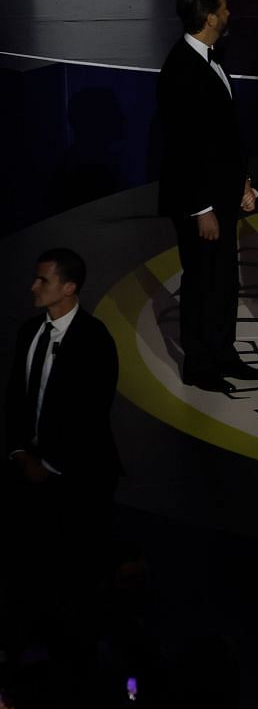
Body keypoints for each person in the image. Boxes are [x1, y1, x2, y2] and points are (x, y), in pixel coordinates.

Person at [157, 0, 258, 390]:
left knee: (222, 279)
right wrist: (201, 208)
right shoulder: (180, 69)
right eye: (224, 7)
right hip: (198, 201)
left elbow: (224, 134)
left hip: (222, 192)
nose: (229, 13)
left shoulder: (211, 57)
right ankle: (200, 364)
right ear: (208, 18)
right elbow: (183, 147)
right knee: (201, 280)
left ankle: (224, 353)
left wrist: (243, 181)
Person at [4, 250, 121, 605]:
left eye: (43, 280)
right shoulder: (29, 332)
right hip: (28, 467)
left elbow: (91, 416)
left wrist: (50, 467)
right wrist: (20, 452)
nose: (32, 287)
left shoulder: (95, 340)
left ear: (68, 287)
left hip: (77, 478)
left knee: (72, 573)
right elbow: (15, 397)